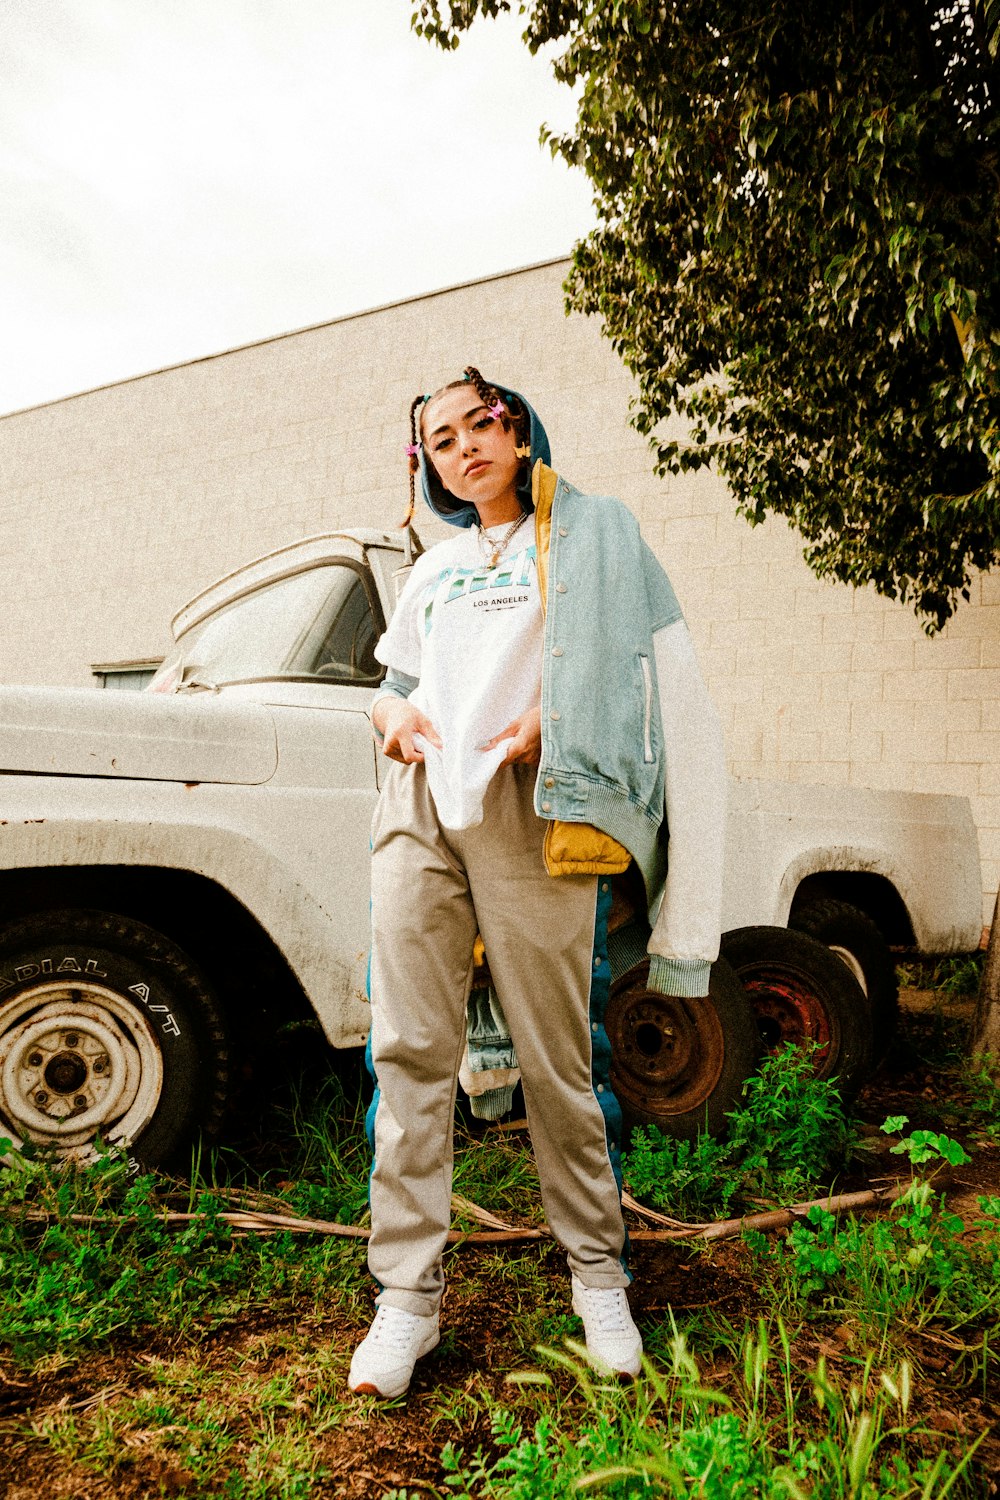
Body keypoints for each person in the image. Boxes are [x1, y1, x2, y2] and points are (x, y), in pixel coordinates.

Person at [348, 368, 726, 1399]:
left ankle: (598, 1277)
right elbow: (394, 686)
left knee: (559, 1057)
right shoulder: (432, 570)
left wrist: (557, 723)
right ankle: (406, 1302)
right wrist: (390, 720)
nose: (463, 445)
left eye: (482, 424)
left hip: (535, 808)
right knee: (409, 1054)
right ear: (426, 462)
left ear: (518, 434)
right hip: (421, 810)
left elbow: (653, 686)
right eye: (440, 438)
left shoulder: (598, 540)